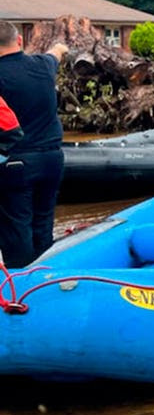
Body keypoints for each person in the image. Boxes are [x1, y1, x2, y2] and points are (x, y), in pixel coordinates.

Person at [0, 21, 68, 268]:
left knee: (16, 229)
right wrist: (61, 46)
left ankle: (22, 289)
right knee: (44, 224)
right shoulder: (42, 65)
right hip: (52, 158)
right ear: (19, 41)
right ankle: (47, 277)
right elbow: (56, 54)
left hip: (15, 160)